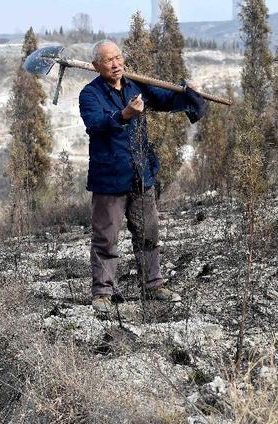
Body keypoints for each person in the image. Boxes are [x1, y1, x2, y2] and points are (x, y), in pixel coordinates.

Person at [79, 39, 207, 313]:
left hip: (140, 173)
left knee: (148, 233)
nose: (115, 64)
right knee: (106, 237)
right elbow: (96, 124)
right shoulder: (90, 95)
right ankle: (103, 292)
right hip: (109, 178)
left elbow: (166, 100)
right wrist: (124, 114)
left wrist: (188, 94)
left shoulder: (135, 85)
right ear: (96, 66)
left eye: (118, 57)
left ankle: (153, 285)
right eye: (108, 60)